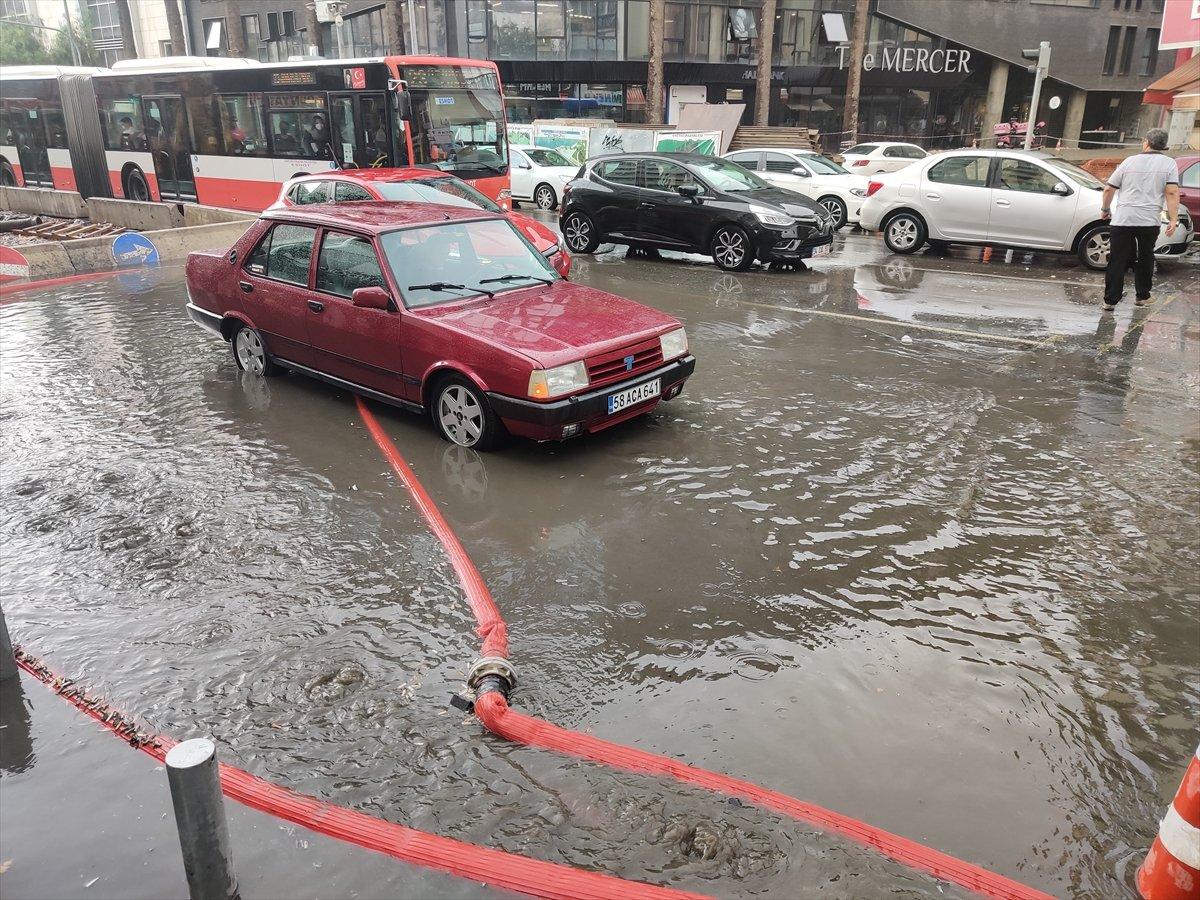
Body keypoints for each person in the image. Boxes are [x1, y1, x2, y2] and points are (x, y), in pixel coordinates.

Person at [1101, 128, 1179, 312]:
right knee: (1145, 257)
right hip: (1149, 220)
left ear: (1146, 142)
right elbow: (1172, 191)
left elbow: (1109, 189)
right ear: (1164, 146)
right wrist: (1173, 219)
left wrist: (1105, 209)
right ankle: (1142, 296)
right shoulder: (1169, 164)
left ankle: (1110, 301)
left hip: (1123, 219)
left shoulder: (1129, 162)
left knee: (1117, 259)